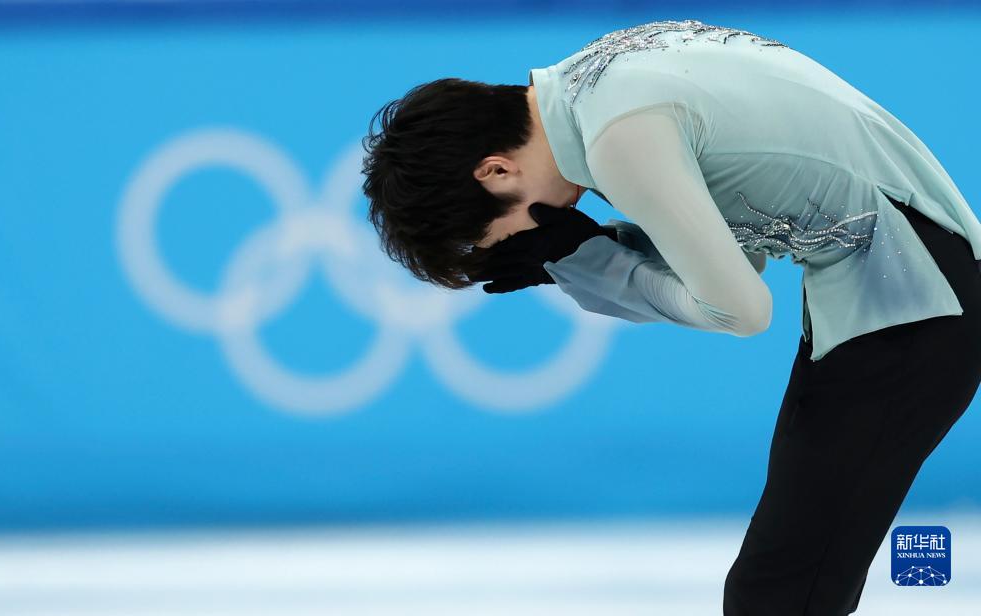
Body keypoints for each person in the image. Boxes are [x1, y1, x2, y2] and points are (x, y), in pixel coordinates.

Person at [360, 19, 981, 614]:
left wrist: (590, 261)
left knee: (779, 592)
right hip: (909, 288)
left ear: (496, 171)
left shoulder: (617, 140)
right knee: (789, 582)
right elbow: (738, 251)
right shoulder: (600, 79)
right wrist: (594, 249)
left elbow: (741, 308)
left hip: (915, 305)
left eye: (503, 233)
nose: (526, 237)